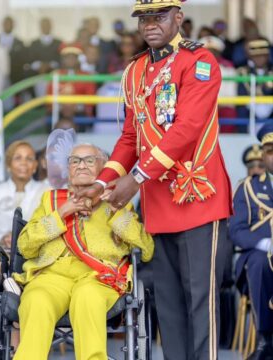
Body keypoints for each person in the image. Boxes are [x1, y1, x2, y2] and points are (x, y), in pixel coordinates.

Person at [77, 1, 232, 358]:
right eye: (144, 17)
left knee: (199, 302)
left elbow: (187, 129)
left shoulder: (199, 62)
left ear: (178, 18)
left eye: (159, 16)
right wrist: (102, 184)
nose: (150, 24)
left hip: (197, 199)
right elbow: (131, 138)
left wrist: (136, 177)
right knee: (169, 305)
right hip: (157, 205)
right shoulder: (134, 72)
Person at [13, 142, 154, 360]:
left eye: (89, 160)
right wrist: (61, 213)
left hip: (98, 278)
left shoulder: (118, 201)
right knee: (37, 300)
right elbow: (25, 246)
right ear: (68, 169)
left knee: (87, 297)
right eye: (75, 161)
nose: (81, 166)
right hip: (52, 276)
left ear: (104, 168)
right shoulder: (50, 200)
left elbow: (146, 249)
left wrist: (115, 212)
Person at [0, 140, 49, 289]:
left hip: (36, 254)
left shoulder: (47, 192)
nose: (24, 163)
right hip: (1, 252)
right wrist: (1, 239)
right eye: (18, 158)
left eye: (29, 159)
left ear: (35, 166)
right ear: (8, 165)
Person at [229, 123, 273, 360]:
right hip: (258, 256)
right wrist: (265, 243)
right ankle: (266, 340)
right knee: (260, 263)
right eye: (270, 150)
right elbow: (236, 231)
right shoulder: (247, 188)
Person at [236, 38, 273, 130]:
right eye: (256, 56)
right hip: (249, 115)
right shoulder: (243, 72)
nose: (259, 58)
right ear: (250, 57)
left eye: (262, 55)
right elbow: (241, 96)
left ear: (267, 56)